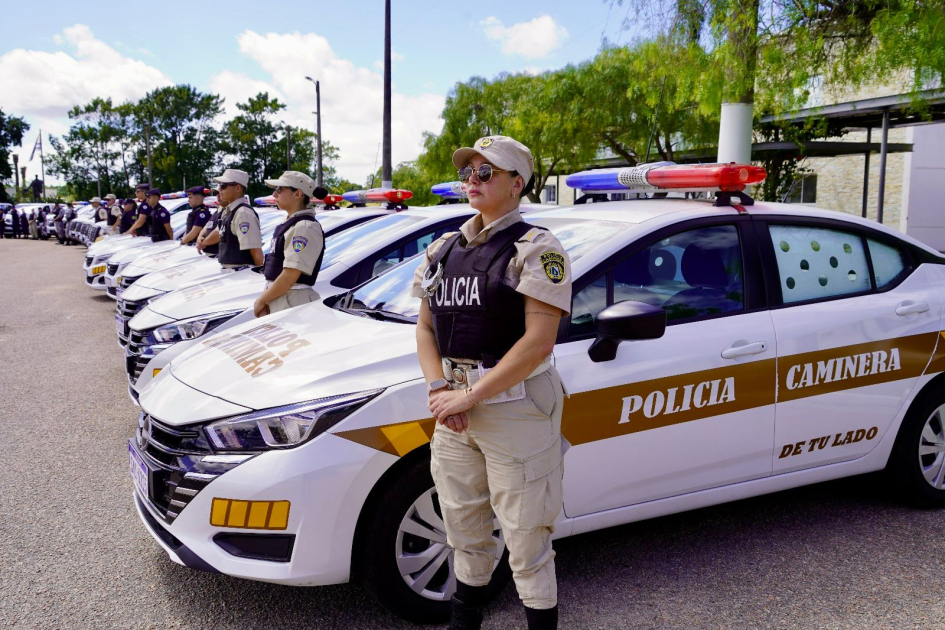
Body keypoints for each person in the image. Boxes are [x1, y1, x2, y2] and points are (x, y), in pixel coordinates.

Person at [412, 136, 572, 630]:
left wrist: (471, 394)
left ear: (516, 184)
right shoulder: (443, 248)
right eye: (469, 172)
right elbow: (424, 327)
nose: (472, 181)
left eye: (487, 173)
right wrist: (442, 390)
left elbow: (538, 342)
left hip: (516, 406)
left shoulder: (537, 247)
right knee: (462, 526)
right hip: (457, 406)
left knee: (525, 537)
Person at [253, 172, 327, 317]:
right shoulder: (292, 224)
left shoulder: (304, 227)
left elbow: (290, 276)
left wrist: (262, 301)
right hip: (283, 297)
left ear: (298, 194)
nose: (274, 194)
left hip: (293, 299)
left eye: (280, 189)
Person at [201, 169, 262, 271]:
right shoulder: (228, 211)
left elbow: (255, 251)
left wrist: (259, 274)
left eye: (223, 186)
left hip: (242, 273)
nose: (219, 190)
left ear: (237, 188)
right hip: (231, 272)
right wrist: (203, 241)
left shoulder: (243, 213)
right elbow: (219, 233)